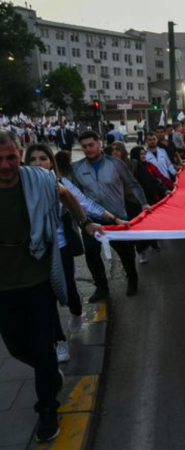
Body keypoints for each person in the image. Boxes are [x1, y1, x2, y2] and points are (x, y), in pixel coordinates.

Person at [0, 130, 100, 442]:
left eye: (11, 157)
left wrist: (85, 223)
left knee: (44, 350)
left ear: (19, 153)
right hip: (4, 288)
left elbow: (68, 196)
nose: (5, 165)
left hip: (39, 279)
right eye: (0, 160)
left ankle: (47, 409)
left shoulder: (39, 179)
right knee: (17, 348)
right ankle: (47, 373)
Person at [25, 144, 124, 362]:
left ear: (51, 161)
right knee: (45, 298)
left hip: (61, 248)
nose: (38, 163)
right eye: (33, 159)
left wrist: (113, 218)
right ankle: (59, 341)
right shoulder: (22, 188)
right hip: (36, 253)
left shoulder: (61, 184)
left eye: (43, 158)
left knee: (67, 288)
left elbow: (86, 204)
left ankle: (76, 308)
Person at [71, 131, 151, 301]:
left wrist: (143, 203)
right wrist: (80, 220)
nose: (88, 149)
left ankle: (132, 279)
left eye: (91, 145)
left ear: (99, 143)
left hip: (117, 217)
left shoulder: (116, 164)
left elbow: (133, 184)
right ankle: (101, 287)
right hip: (92, 220)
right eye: (84, 147)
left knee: (126, 253)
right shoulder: (77, 168)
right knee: (92, 254)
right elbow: (76, 195)